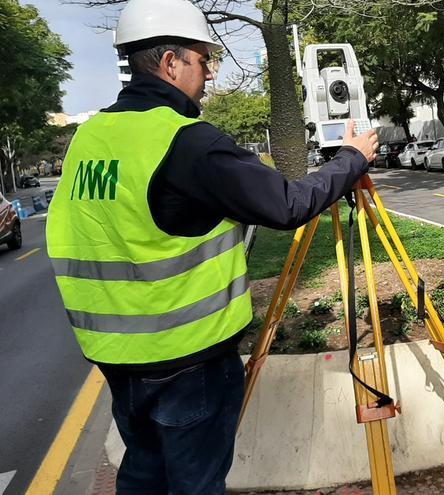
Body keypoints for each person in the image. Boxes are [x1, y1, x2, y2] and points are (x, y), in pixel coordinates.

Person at [44, 0, 377, 493]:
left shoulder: (89, 138)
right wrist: (351, 159)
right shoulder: (185, 141)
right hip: (187, 358)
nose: (208, 75)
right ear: (171, 62)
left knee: (143, 472)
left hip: (116, 357)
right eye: (203, 61)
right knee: (195, 483)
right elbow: (285, 205)